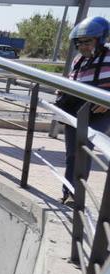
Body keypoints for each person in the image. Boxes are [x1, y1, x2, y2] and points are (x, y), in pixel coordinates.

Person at [59, 16, 110, 204]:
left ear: (100, 39)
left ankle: (76, 196)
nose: (83, 47)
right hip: (77, 111)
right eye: (79, 43)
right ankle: (68, 192)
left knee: (84, 150)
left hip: (101, 112)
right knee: (72, 154)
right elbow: (73, 82)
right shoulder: (79, 60)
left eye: (87, 42)